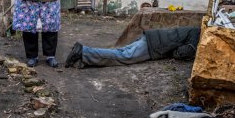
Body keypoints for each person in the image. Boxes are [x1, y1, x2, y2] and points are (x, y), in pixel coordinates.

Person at [64, 27, 200, 68]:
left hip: (150, 38)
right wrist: (176, 53)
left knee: (120, 52)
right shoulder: (198, 34)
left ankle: (83, 59)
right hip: (153, 46)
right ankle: (83, 52)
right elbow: (184, 52)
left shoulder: (194, 30)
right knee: (124, 57)